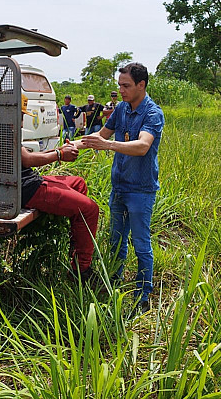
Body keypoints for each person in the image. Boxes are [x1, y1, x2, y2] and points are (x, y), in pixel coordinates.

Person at [80, 63, 164, 316]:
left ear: (142, 85)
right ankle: (113, 285)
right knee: (116, 240)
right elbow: (101, 135)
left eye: (126, 85)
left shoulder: (153, 113)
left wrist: (107, 146)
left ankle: (142, 296)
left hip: (140, 189)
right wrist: (65, 148)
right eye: (119, 85)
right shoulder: (121, 109)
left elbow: (142, 146)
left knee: (140, 244)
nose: (121, 90)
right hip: (119, 187)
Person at [20, 96, 100, 281]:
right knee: (90, 210)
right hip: (26, 188)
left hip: (30, 179)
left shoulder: (9, 128)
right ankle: (82, 271)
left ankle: (76, 245)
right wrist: (58, 154)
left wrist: (60, 149)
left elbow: (27, 156)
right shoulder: (4, 130)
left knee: (78, 183)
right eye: (21, 114)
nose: (22, 119)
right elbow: (27, 160)